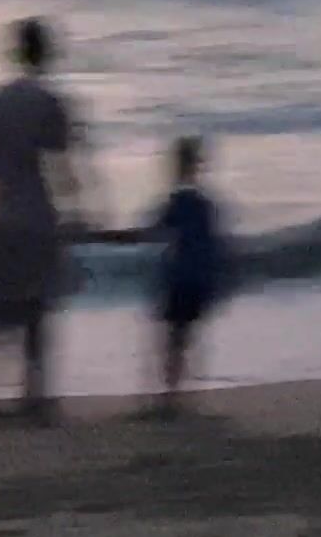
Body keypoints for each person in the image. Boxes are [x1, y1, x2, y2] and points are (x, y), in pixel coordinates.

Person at [0, 17, 92, 424]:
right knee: (37, 308)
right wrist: (79, 212)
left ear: (16, 52)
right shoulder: (50, 102)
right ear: (47, 53)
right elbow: (62, 165)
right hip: (37, 212)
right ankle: (33, 396)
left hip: (2, 212)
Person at [97, 135, 231, 415]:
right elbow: (217, 247)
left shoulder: (178, 202)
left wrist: (109, 236)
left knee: (169, 340)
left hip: (179, 278)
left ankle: (167, 399)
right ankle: (176, 397)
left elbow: (150, 233)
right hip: (200, 279)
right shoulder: (206, 205)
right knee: (183, 338)